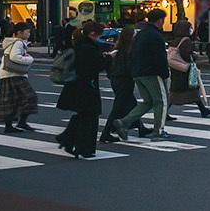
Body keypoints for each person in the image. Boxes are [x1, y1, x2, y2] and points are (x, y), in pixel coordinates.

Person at [106, 9, 170, 141]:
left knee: (148, 101)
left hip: (138, 73)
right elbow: (160, 58)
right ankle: (158, 130)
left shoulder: (141, 34)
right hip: (152, 72)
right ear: (160, 20)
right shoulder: (156, 36)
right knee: (160, 101)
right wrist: (165, 74)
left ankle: (124, 122)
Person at [56, 20, 106, 158]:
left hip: (78, 85)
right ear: (92, 33)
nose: (99, 38)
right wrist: (107, 59)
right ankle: (83, 147)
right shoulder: (88, 48)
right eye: (98, 35)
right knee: (90, 116)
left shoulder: (80, 45)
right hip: (87, 85)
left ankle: (69, 139)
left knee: (84, 115)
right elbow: (95, 66)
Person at [101, 21, 142, 144]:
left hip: (119, 80)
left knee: (132, 105)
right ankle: (106, 132)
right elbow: (129, 67)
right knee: (118, 108)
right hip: (124, 81)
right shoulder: (127, 51)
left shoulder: (118, 50)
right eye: (134, 34)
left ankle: (141, 128)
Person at [0, 21, 39, 134]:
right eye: (27, 32)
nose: (29, 34)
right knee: (30, 96)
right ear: (19, 33)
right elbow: (15, 57)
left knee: (10, 100)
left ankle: (9, 126)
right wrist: (29, 59)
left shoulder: (12, 42)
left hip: (7, 74)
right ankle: (22, 122)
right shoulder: (18, 43)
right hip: (15, 74)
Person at [167, 29, 210, 118]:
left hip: (176, 69)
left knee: (178, 91)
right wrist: (194, 56)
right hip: (185, 69)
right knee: (190, 89)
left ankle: (203, 109)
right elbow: (186, 55)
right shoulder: (186, 40)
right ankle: (203, 110)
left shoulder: (174, 41)